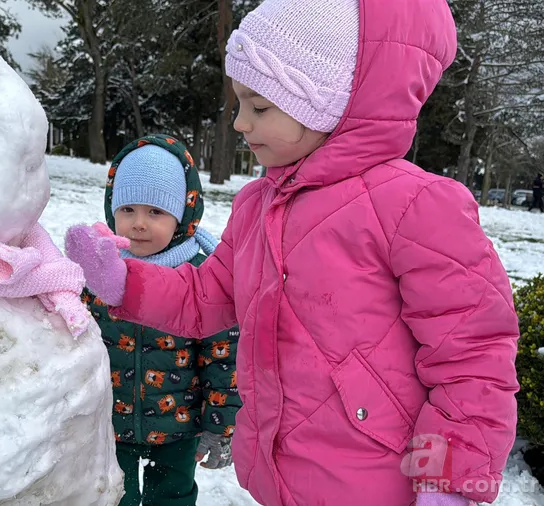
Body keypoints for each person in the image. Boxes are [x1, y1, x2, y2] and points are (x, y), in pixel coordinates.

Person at [63, 1, 519, 505]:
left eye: (260, 107)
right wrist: (125, 281)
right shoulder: (256, 206)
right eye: (239, 105)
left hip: (381, 485)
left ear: (331, 103)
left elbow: (471, 359)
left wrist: (447, 481)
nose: (239, 124)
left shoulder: (413, 205)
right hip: (282, 477)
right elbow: (205, 298)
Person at [84, 135, 241, 506]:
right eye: (128, 210)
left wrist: (220, 427)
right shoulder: (97, 273)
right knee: (110, 496)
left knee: (172, 499)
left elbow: (223, 357)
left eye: (155, 212)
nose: (138, 224)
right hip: (108, 425)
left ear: (181, 217)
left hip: (178, 428)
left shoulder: (201, 279)